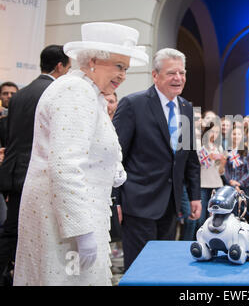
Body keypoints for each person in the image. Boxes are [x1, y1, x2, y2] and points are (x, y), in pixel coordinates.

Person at [12, 22, 148, 286]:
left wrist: (114, 171)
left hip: (69, 218)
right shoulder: (75, 91)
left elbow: (93, 148)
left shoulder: (88, 92)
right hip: (64, 225)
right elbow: (65, 165)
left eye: (126, 70)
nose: (123, 76)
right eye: (119, 67)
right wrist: (82, 231)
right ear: (95, 60)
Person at [112, 48, 201, 271]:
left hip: (170, 206)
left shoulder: (187, 108)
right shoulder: (133, 104)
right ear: (155, 75)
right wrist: (116, 200)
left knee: (162, 268)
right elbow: (115, 157)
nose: (178, 78)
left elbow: (189, 157)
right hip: (137, 203)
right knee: (140, 268)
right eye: (172, 73)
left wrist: (195, 196)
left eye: (182, 72)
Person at [0, 45, 71, 286]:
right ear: (60, 66)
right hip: (37, 174)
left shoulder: (19, 94)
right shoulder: (56, 92)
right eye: (69, 67)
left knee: (11, 231)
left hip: (12, 172)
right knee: (35, 235)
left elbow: (11, 136)